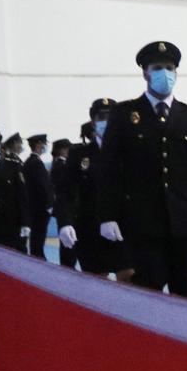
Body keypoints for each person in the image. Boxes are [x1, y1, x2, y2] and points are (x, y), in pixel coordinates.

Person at [95, 40, 187, 294]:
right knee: (148, 286)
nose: (164, 73)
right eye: (157, 67)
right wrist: (107, 215)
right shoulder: (125, 114)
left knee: (185, 291)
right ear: (145, 72)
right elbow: (110, 169)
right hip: (142, 221)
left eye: (169, 67)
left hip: (183, 222)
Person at [61, 102, 128, 276]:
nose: (106, 121)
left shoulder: (129, 150)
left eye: (110, 117)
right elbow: (66, 192)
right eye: (101, 117)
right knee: (97, 285)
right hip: (89, 228)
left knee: (129, 280)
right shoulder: (78, 155)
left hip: (124, 227)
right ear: (93, 121)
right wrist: (65, 222)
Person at [21, 133, 52, 258]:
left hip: (34, 207)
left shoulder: (30, 162)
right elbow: (43, 186)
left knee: (36, 238)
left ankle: (37, 256)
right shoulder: (35, 163)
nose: (45, 146)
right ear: (39, 144)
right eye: (44, 143)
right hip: (39, 208)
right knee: (38, 237)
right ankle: (38, 259)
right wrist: (49, 204)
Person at [50, 136, 78, 268]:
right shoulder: (61, 166)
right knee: (69, 244)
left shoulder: (57, 165)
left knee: (67, 243)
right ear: (62, 150)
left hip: (63, 209)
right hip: (67, 209)